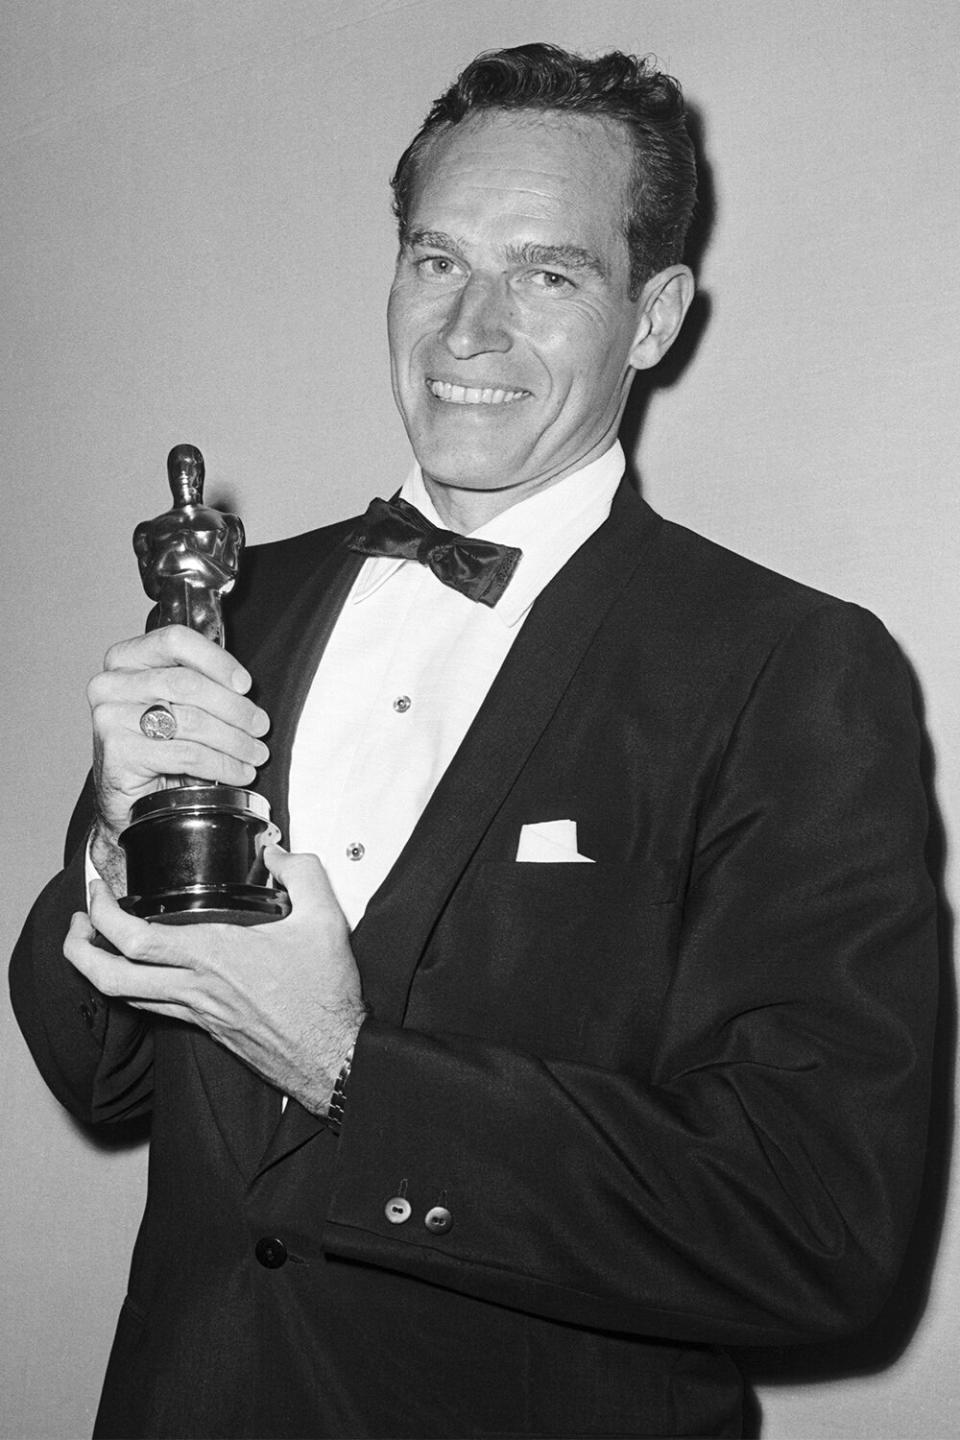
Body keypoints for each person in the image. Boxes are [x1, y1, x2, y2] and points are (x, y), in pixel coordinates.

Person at [10, 42, 937, 1440]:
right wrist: (113, 848)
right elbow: (106, 1069)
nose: (469, 330)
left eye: (548, 274)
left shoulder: (787, 669)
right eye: (437, 261)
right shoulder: (239, 600)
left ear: (653, 315)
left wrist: (346, 1067)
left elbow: (818, 1230)